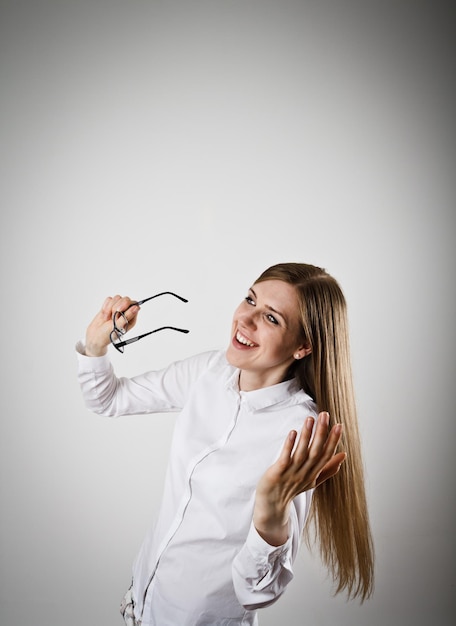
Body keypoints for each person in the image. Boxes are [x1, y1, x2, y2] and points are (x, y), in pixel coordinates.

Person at [76, 262, 374, 626]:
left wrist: (270, 513)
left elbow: (256, 592)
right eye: (250, 299)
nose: (245, 320)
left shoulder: (299, 431)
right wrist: (95, 344)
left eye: (272, 318)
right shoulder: (210, 371)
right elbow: (108, 400)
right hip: (140, 610)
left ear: (303, 346)